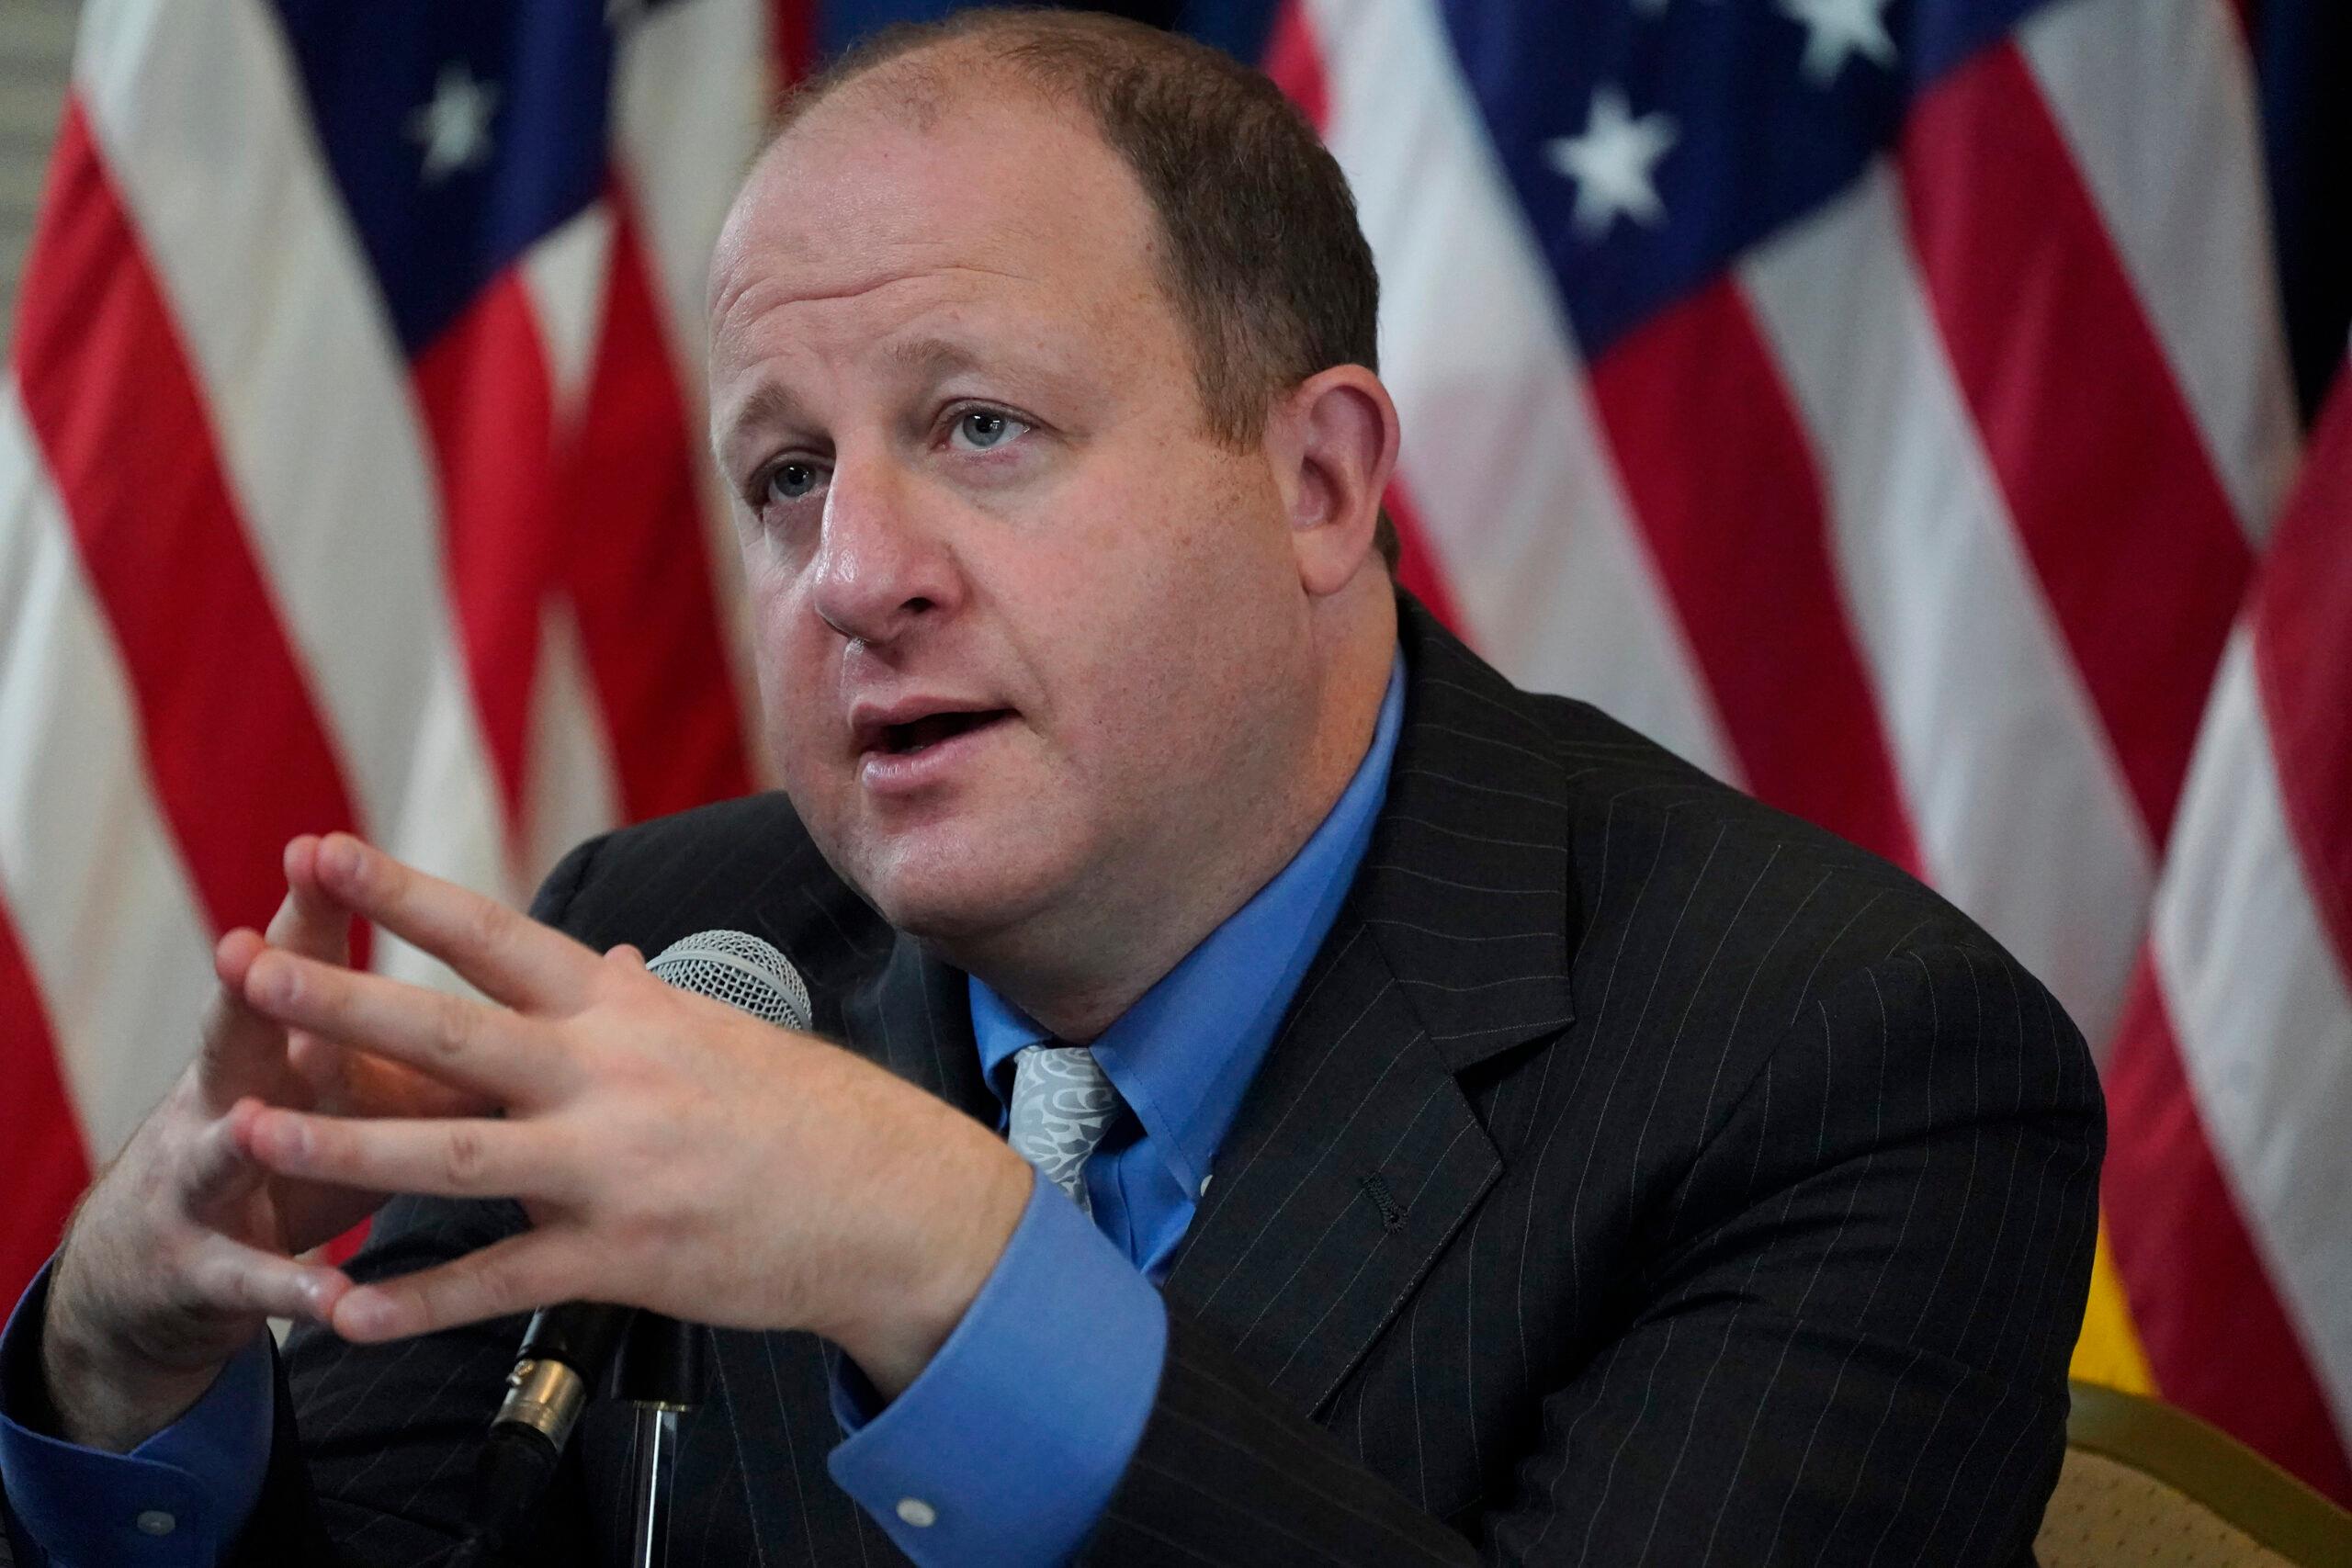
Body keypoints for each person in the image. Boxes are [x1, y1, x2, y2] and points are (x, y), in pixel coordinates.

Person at [0, 11, 2101, 1565]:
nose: (855, 574)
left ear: (1316, 483)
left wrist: (948, 1260)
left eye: (982, 426)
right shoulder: (677, 938)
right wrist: (119, 1364)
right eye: (785, 475)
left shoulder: (1843, 1063)